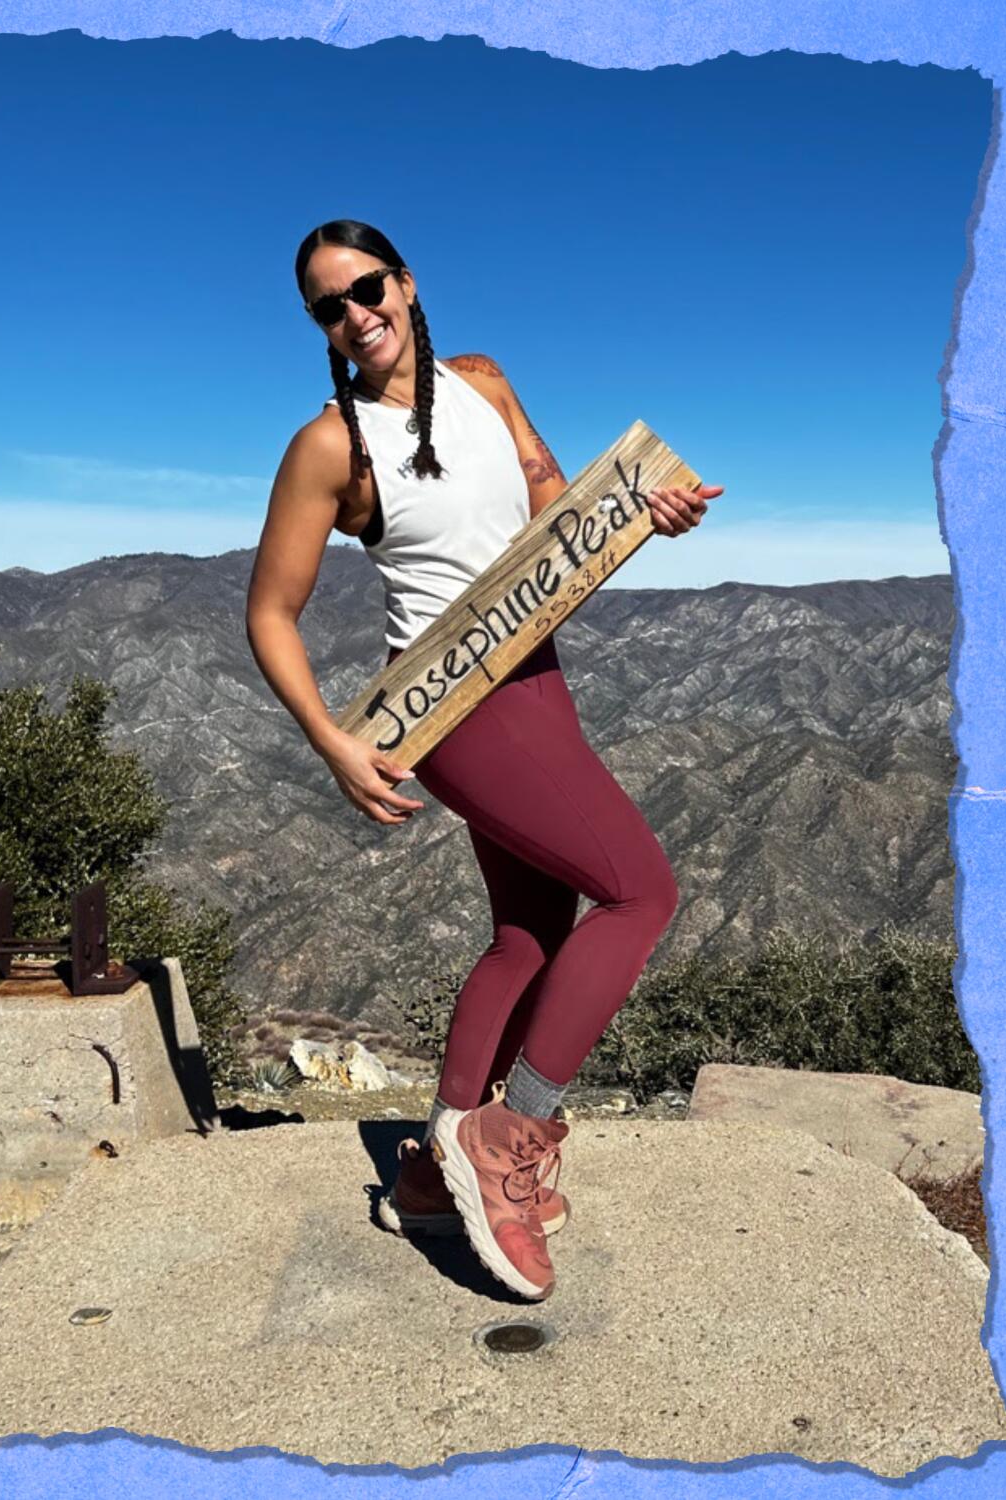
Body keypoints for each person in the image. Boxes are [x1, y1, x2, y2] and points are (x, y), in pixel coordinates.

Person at [245, 219, 722, 1301]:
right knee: (643, 892)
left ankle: (430, 1166)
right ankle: (515, 1135)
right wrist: (333, 742)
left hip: (540, 684)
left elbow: (555, 514)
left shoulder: (484, 383)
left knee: (530, 932)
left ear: (406, 287)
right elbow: (270, 611)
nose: (356, 315)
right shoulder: (332, 446)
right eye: (329, 305)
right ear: (318, 323)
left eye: (368, 288)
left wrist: (648, 514)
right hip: (456, 716)